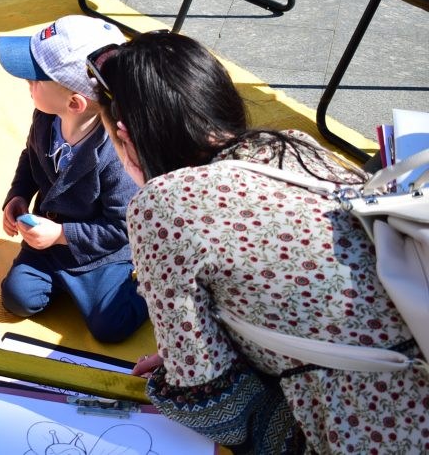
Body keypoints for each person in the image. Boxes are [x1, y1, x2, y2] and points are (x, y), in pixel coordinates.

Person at [90, 30, 429, 453]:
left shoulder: (161, 203)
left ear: (125, 135)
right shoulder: (295, 145)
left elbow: (212, 403)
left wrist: (175, 375)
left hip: (373, 430)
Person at [0, 15, 149, 344]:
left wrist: (61, 235)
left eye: (36, 78)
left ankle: (149, 284)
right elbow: (30, 157)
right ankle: (63, 282)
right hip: (48, 244)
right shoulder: (46, 116)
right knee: (17, 298)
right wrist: (18, 195)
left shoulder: (117, 157)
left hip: (100, 255)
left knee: (111, 326)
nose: (27, 81)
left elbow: (121, 227)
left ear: (75, 103)